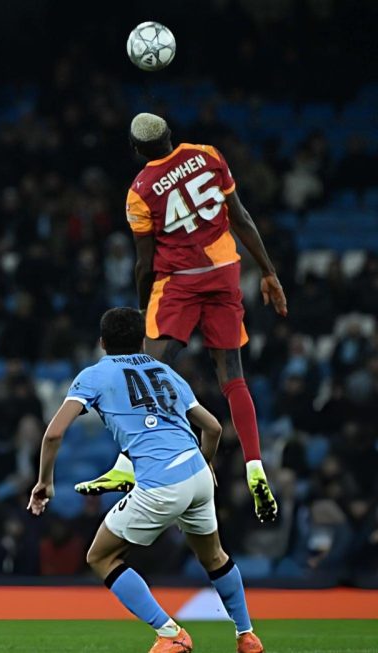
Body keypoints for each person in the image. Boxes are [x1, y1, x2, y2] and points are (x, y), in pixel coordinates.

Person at [76, 113, 289, 523]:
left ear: (137, 150)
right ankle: (255, 465)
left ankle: (126, 462)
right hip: (225, 272)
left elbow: (144, 264)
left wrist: (142, 311)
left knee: (146, 370)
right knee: (233, 376)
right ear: (171, 135)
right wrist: (268, 271)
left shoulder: (139, 191)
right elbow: (241, 217)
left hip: (179, 282)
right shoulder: (207, 155)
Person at [30, 308, 264, 653]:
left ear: (102, 343)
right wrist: (207, 462)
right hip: (197, 472)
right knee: (214, 557)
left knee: (100, 558)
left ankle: (171, 634)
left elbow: (53, 435)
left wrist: (44, 483)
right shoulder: (167, 372)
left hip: (161, 480)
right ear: (142, 341)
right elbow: (213, 426)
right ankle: (246, 635)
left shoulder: (94, 375)